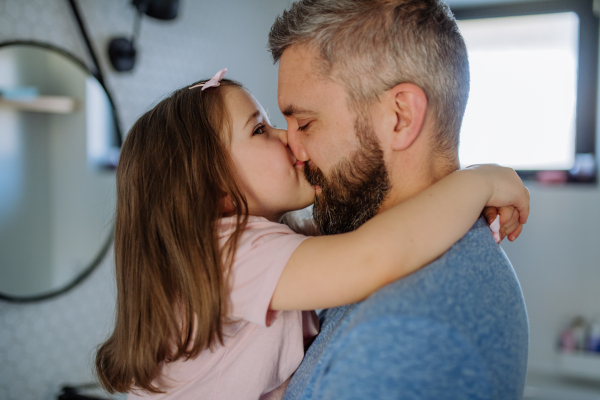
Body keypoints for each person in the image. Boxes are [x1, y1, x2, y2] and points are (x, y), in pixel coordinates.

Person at [94, 70, 528, 400]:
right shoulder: (228, 252)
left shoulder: (260, 242)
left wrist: (452, 196)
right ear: (215, 190)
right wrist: (475, 184)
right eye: (259, 129)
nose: (287, 137)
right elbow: (370, 256)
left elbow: (385, 227)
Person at [268, 1, 530, 399]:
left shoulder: (400, 335)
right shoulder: (422, 247)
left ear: (401, 117)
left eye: (305, 123)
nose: (293, 148)